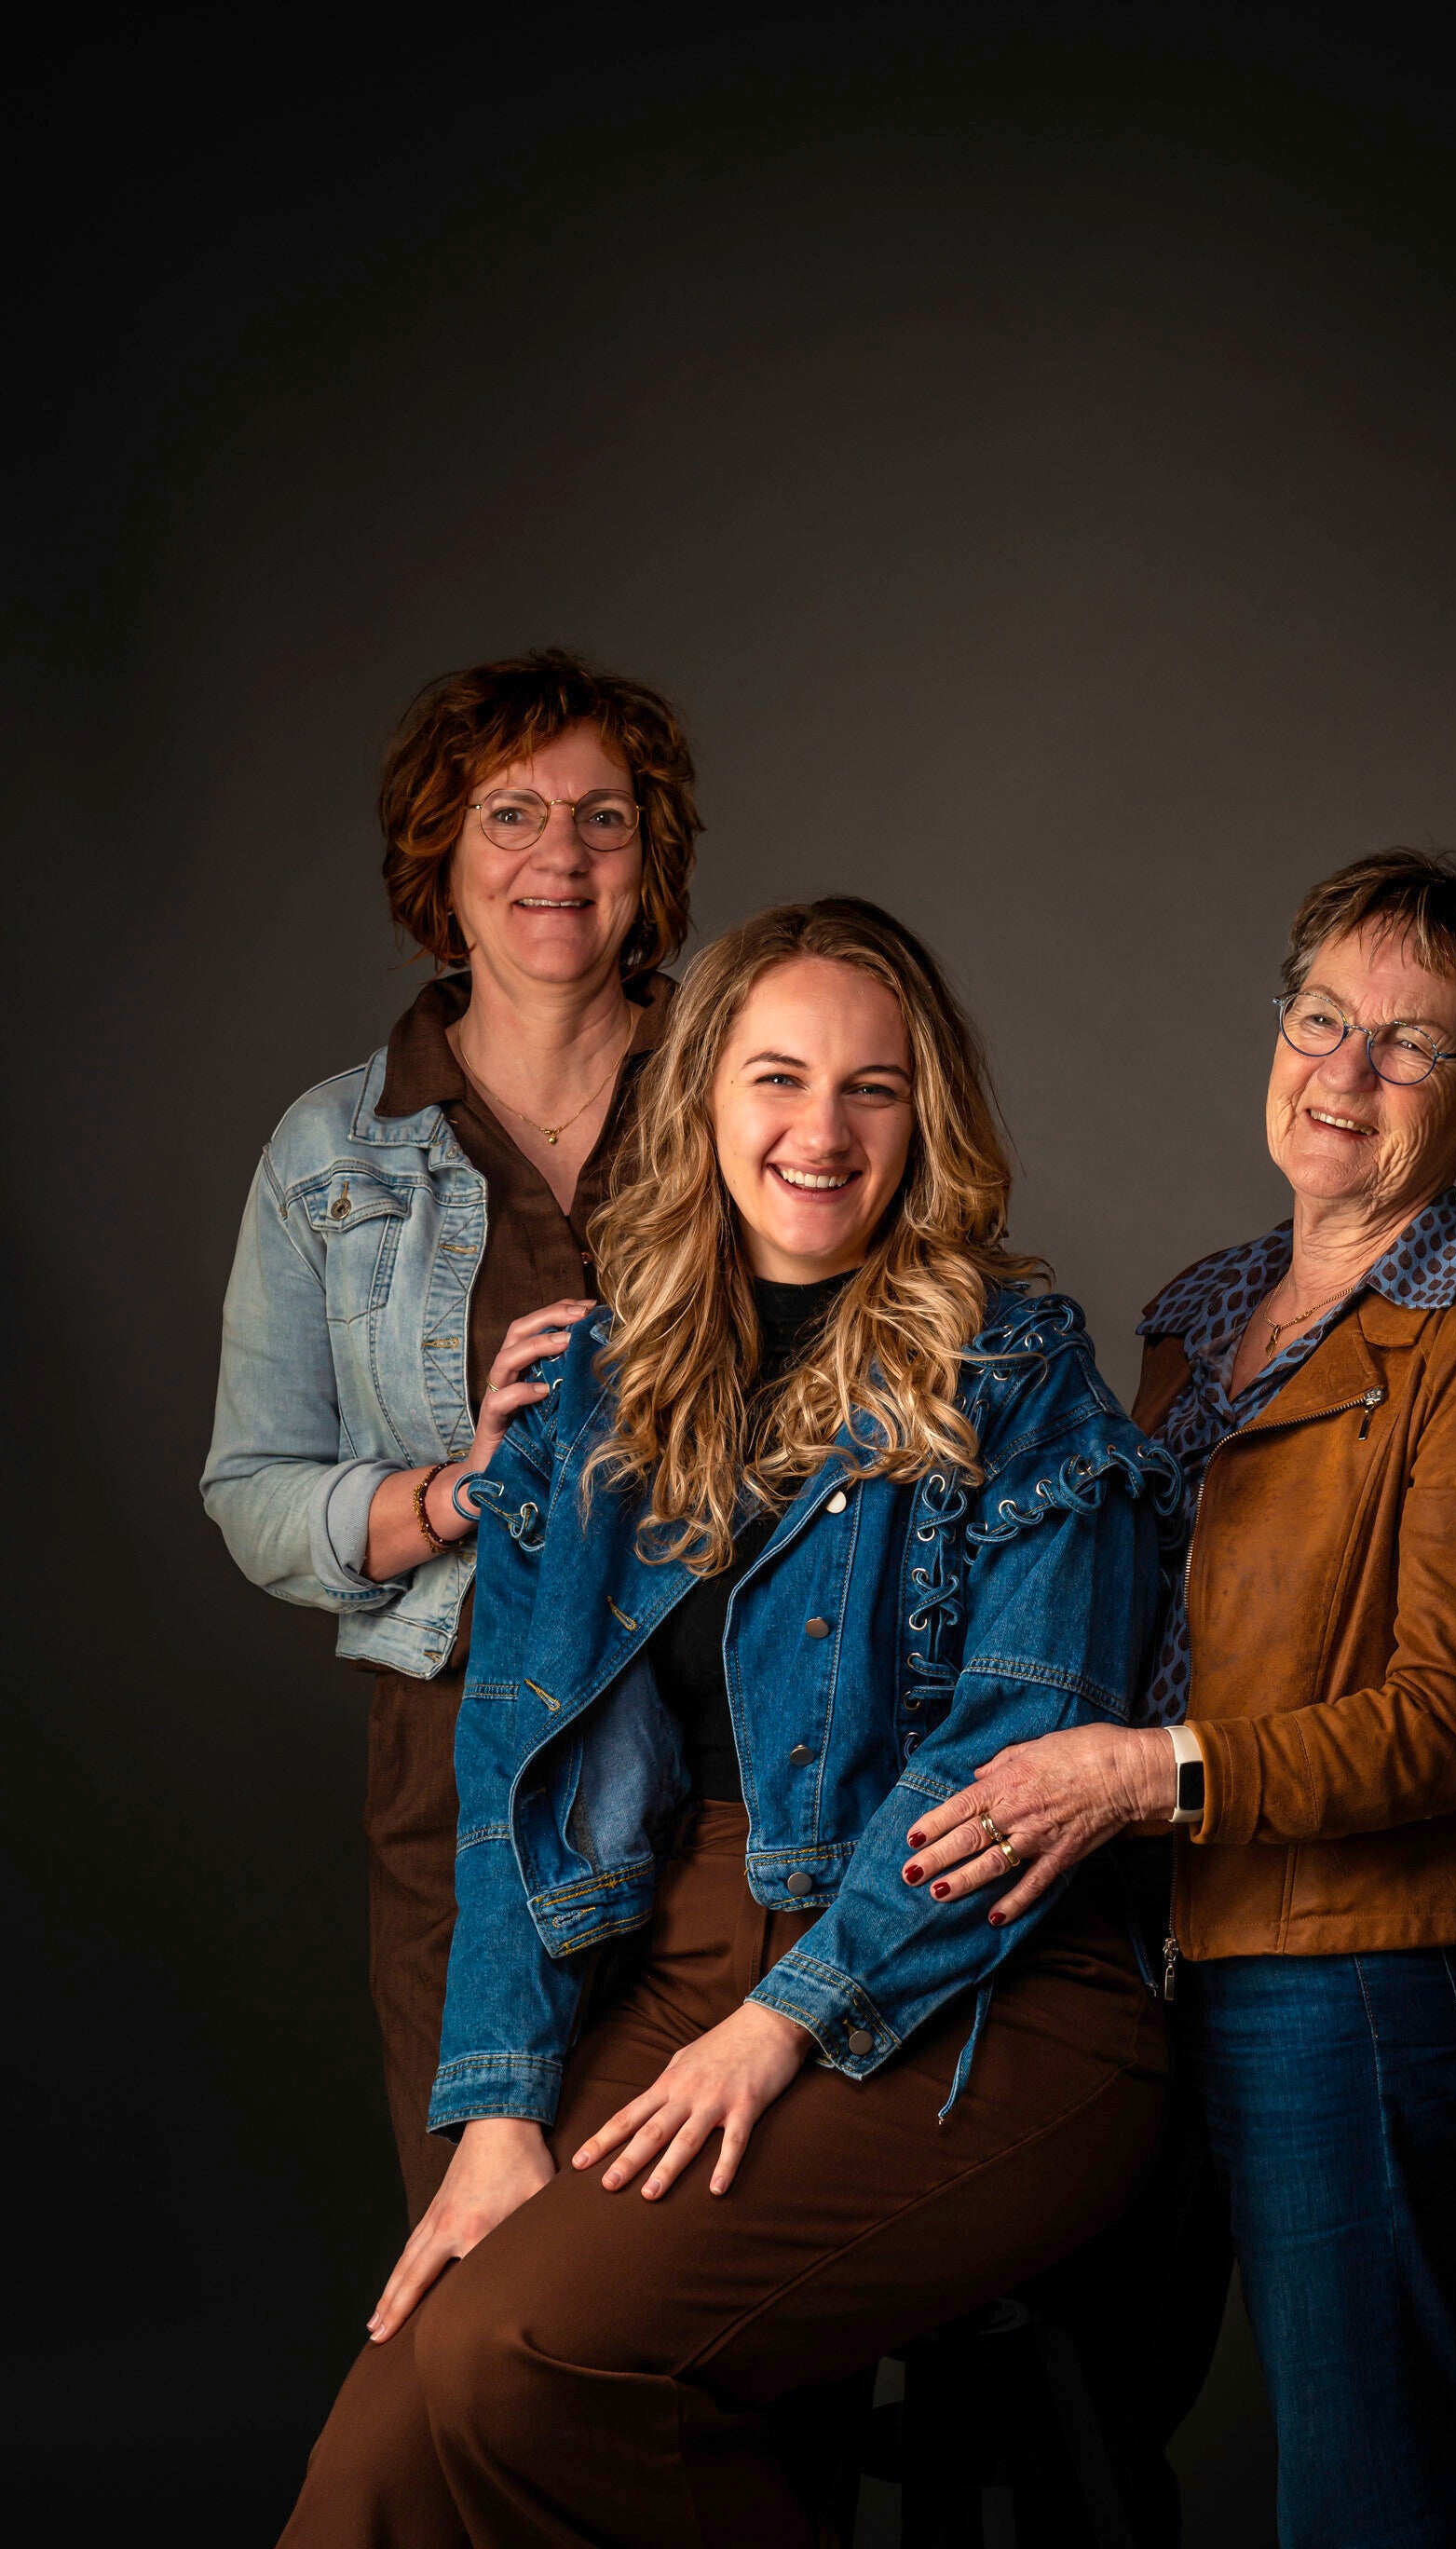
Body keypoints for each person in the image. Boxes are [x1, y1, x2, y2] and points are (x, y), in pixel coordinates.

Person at [279, 896, 1177, 2548]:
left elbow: (1007, 1769)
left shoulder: (1017, 1375)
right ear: (701, 1095)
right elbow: (510, 1768)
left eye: (871, 1089)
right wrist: (498, 2110)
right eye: (777, 1079)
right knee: (387, 2445)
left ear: (925, 1118)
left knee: (513, 2363)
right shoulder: (599, 1386)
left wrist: (778, 2027)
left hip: (975, 1982)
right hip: (674, 1960)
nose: (819, 1134)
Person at [906, 848, 1456, 2546]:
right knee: (1071, 2444)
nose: (1343, 1071)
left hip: (1347, 1973)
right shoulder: (1197, 1312)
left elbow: (1443, 1722)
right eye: (1319, 1018)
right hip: (1124, 1949)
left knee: (1362, 2477)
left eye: (1411, 1044)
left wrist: (1135, 1776)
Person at [202, 647, 701, 2221]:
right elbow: (253, 1489)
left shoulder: (752, 1093)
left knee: (708, 2269)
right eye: (512, 814)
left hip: (740, 1751)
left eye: (605, 816)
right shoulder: (330, 1148)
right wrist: (451, 1493)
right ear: (442, 853)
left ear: (652, 856)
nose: (561, 854)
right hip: (464, 1772)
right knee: (488, 2267)